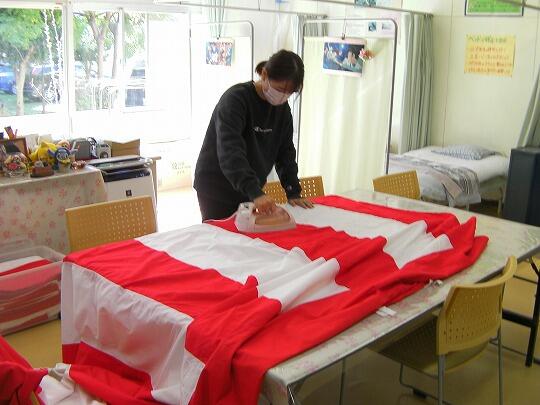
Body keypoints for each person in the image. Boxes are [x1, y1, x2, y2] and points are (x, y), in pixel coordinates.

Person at [194, 49, 314, 221]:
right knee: (221, 234)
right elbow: (230, 151)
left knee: (247, 233)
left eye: (290, 93)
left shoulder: (282, 110)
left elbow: (286, 152)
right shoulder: (235, 100)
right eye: (280, 89)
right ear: (264, 74)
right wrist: (255, 192)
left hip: (249, 188)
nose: (282, 97)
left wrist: (293, 191)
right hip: (217, 187)